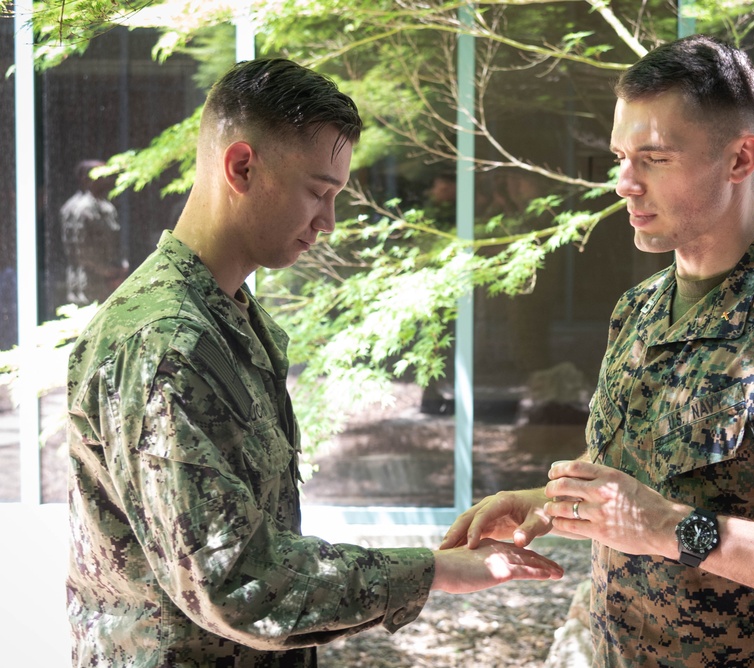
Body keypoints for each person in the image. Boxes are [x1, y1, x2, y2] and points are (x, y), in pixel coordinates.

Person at [441, 35, 754, 667]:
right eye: (620, 156)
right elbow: (638, 477)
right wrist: (544, 504)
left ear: (739, 159)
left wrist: (671, 528)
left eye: (654, 158)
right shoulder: (639, 310)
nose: (624, 183)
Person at [65, 58, 563, 668]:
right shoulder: (166, 342)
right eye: (318, 193)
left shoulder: (225, 319)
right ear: (242, 166)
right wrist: (433, 571)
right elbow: (235, 583)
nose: (327, 223)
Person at [60, 159, 129, 304]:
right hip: (88, 284)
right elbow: (81, 252)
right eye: (101, 175)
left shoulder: (106, 207)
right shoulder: (79, 209)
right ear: (86, 179)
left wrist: (120, 267)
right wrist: (109, 271)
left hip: (111, 281)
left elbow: (116, 241)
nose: (107, 179)